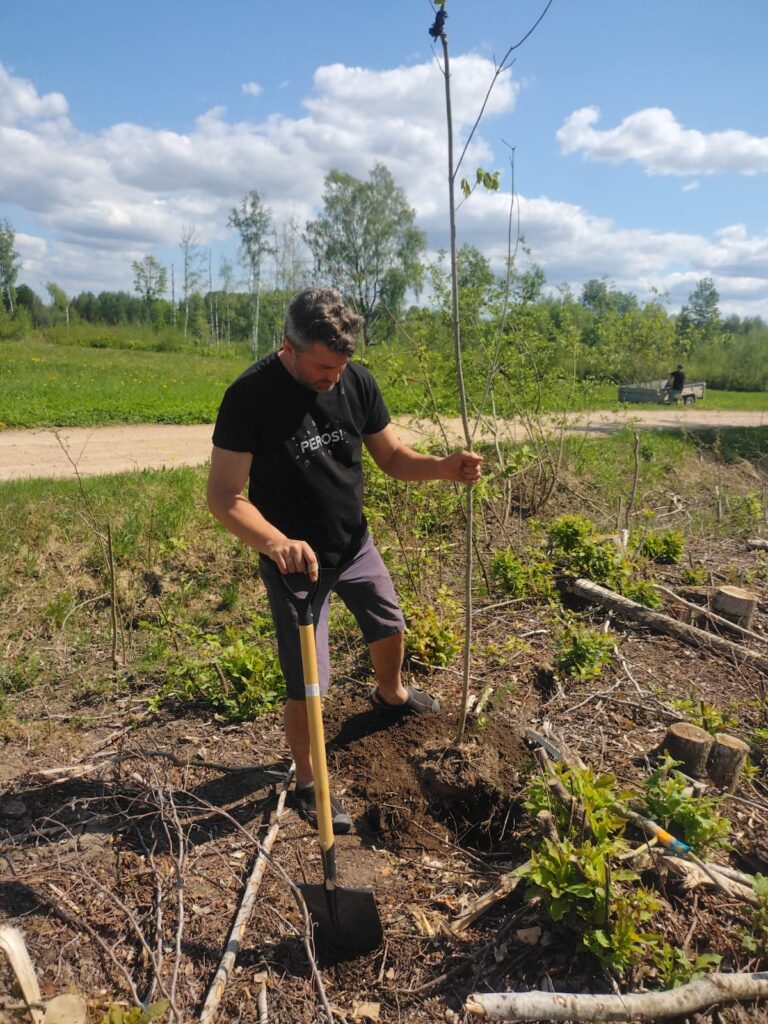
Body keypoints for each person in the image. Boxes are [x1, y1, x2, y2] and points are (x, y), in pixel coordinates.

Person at [207, 287, 482, 833]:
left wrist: (442, 467)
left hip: (354, 544)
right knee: (309, 685)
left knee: (389, 625)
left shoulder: (356, 381)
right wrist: (275, 541)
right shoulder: (249, 397)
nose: (333, 378)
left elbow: (393, 457)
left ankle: (391, 694)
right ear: (288, 346)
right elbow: (224, 496)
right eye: (321, 367)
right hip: (296, 566)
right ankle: (310, 782)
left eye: (341, 365)